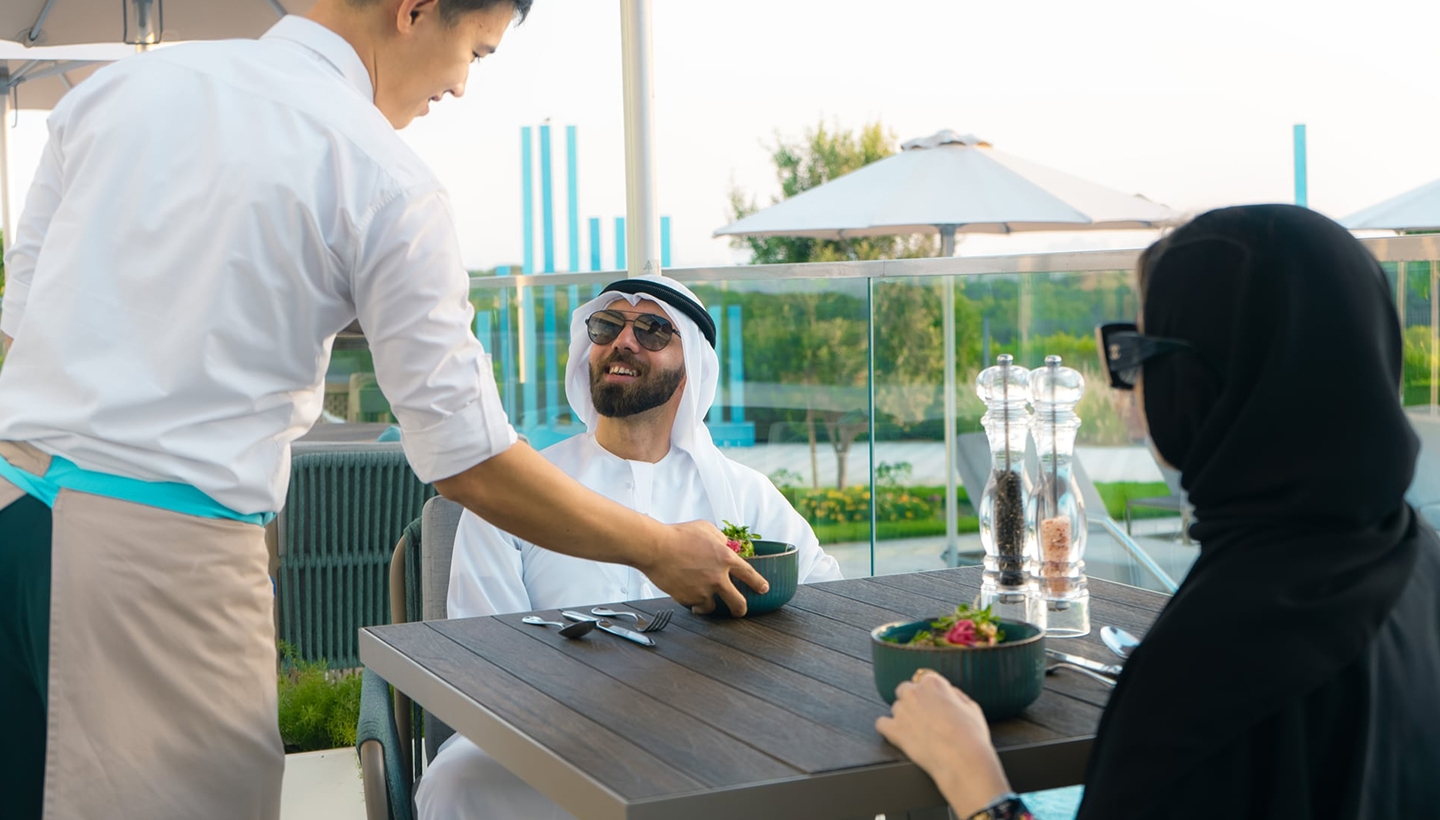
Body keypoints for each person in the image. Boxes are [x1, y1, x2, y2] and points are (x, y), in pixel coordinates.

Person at [0, 3, 765, 819]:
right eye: (475, 50)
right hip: (154, 568)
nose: (461, 85)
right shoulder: (382, 175)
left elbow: (19, 336)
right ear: (415, 10)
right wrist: (660, 549)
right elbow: (469, 458)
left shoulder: (111, 92)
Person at [876, 204, 1440, 819]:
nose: (1131, 389)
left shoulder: (1218, 656)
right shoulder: (1418, 560)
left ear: (1195, 383)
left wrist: (974, 777)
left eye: (1138, 354)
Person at [413, 274, 844, 820]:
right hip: (547, 729)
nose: (624, 341)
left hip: (718, 724)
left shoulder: (746, 496)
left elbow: (827, 604)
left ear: (692, 369)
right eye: (608, 325)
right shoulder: (523, 494)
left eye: (653, 330)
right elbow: (482, 646)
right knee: (458, 781)